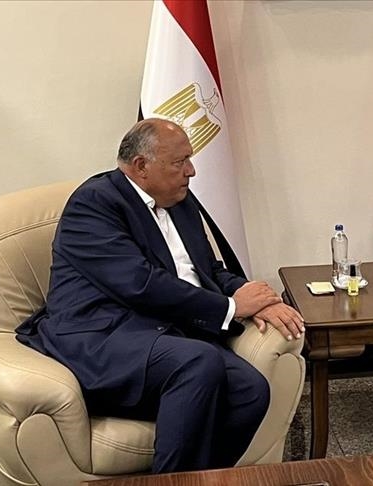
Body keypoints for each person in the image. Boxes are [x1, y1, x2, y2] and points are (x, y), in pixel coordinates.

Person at [16, 118, 305, 472]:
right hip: (102, 336)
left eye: (190, 159)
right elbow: (140, 283)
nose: (192, 171)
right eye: (180, 162)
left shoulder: (180, 199)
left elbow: (206, 270)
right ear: (141, 166)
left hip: (163, 332)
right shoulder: (94, 204)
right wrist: (229, 307)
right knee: (198, 362)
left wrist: (249, 294)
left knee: (250, 391)